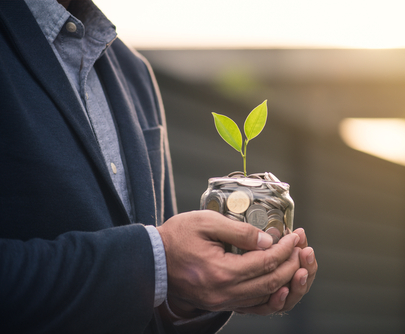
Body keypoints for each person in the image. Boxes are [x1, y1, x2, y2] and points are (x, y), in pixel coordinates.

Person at [0, 0, 318, 333]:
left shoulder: (132, 73)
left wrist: (193, 296)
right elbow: (157, 260)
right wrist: (153, 262)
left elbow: (156, 300)